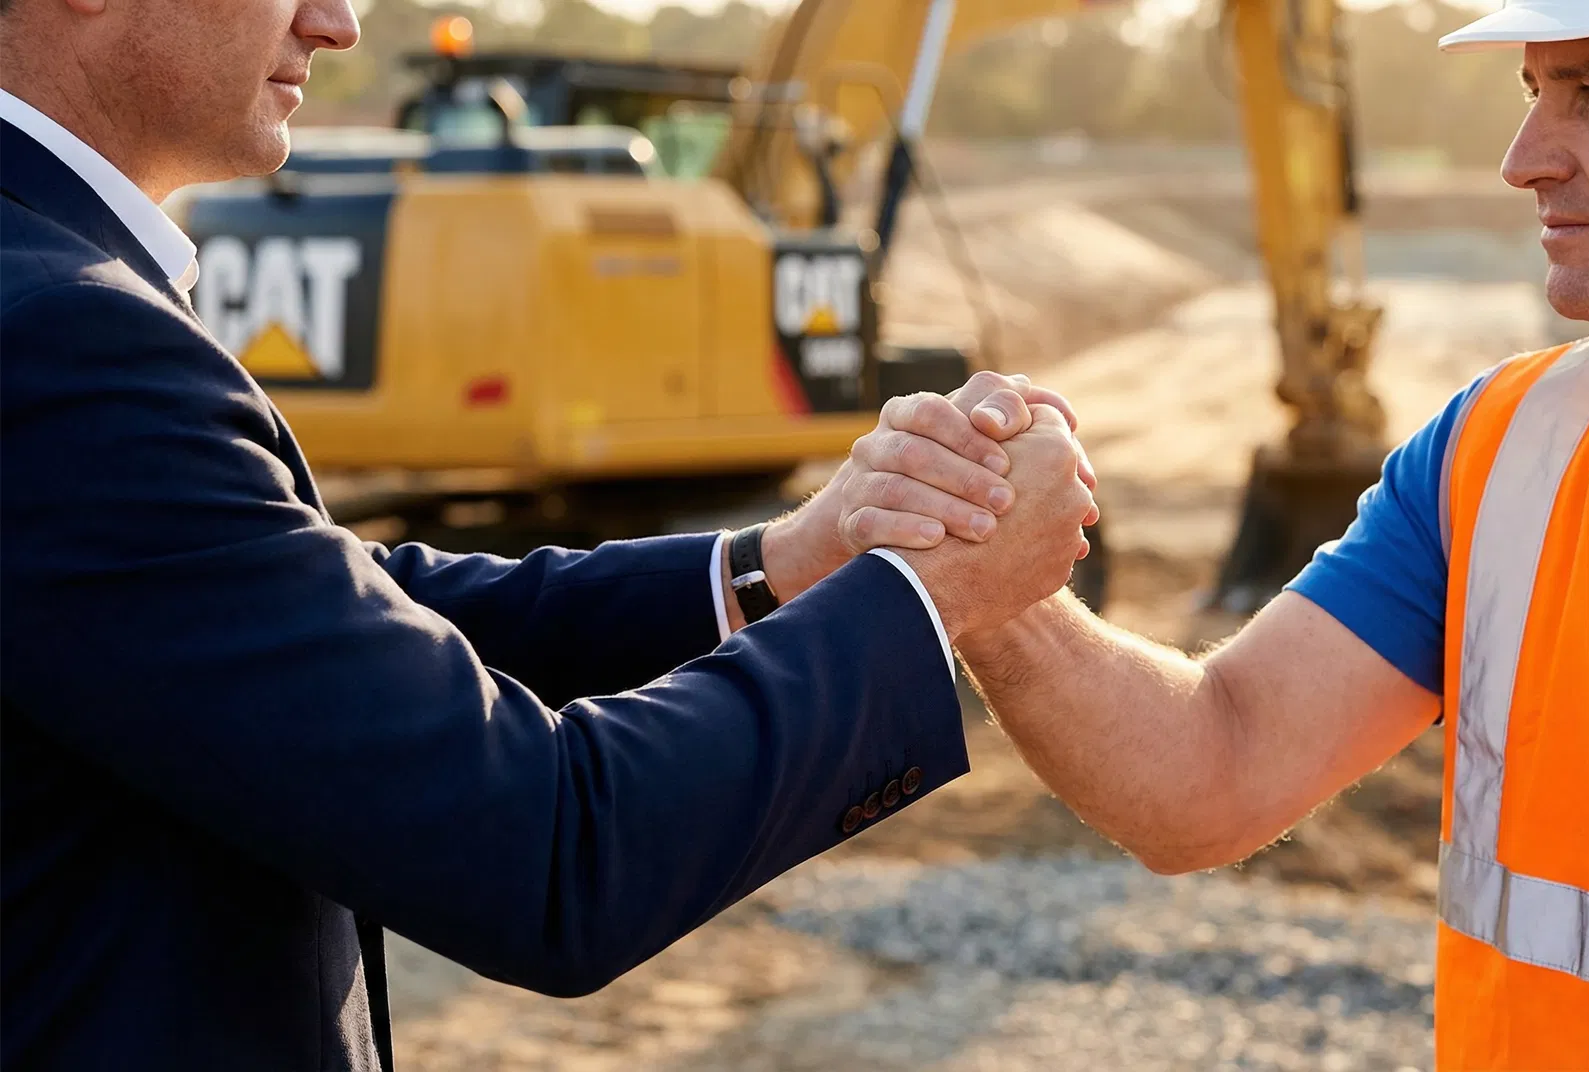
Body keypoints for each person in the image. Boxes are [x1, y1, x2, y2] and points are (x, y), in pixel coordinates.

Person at [0, 0, 1098, 1065]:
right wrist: (928, 590)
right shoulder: (68, 337)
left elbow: (333, 617)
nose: (335, 23)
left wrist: (781, 565)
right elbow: (546, 850)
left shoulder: (48, 291)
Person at [924, 2, 1589, 1067]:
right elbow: (1210, 774)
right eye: (1535, 92)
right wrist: (987, 564)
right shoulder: (1500, 447)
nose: (1524, 161)